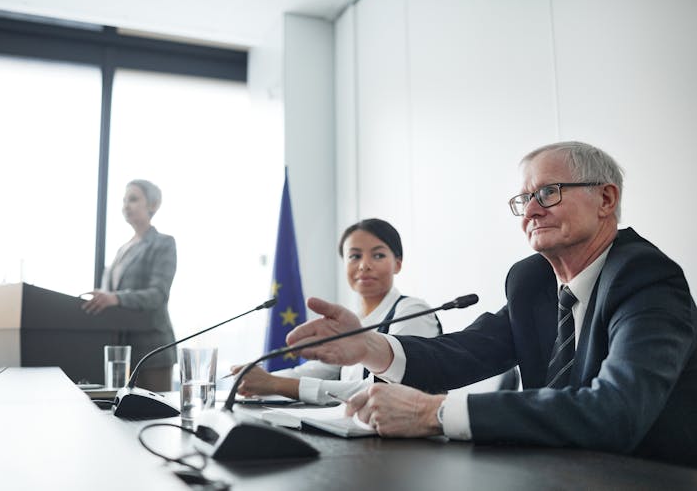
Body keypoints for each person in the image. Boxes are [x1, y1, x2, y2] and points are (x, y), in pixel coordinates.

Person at [287, 142, 697, 466]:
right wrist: (370, 347)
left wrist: (436, 413)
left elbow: (616, 411)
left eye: (548, 193)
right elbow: (464, 352)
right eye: (523, 200)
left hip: (646, 475)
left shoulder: (646, 278)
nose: (531, 211)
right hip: (555, 471)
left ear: (606, 199)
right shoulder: (532, 281)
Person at [230, 218, 442, 405]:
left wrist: (275, 384)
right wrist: (256, 377)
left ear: (397, 264)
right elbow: (315, 371)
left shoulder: (414, 311)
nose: (364, 265)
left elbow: (383, 392)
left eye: (378, 255)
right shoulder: (353, 321)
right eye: (354, 256)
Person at [82, 179, 177, 392]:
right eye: (124, 200)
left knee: (156, 417)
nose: (126, 205)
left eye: (133, 199)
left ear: (153, 205)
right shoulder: (122, 250)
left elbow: (158, 294)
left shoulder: (163, 243)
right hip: (120, 350)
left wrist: (115, 298)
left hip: (152, 350)